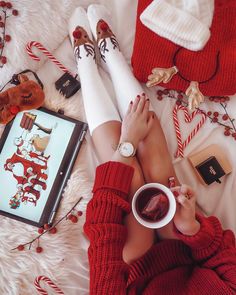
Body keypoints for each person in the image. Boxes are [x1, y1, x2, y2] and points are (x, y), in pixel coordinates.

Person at [68, 5, 236, 294]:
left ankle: (86, 63)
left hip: (134, 267)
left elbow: (103, 235)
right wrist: (193, 229)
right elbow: (225, 260)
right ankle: (112, 55)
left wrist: (125, 147)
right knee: (160, 175)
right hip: (183, 251)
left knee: (132, 181)